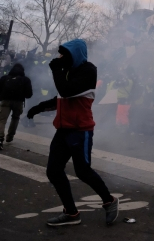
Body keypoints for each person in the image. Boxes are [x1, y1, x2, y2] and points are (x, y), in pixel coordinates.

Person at [26, 39, 119, 226]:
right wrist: (39, 107)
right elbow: (61, 97)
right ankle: (71, 213)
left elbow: (66, 91)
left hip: (80, 130)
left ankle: (109, 201)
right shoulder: (67, 72)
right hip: (63, 130)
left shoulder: (88, 71)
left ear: (74, 55)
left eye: (63, 54)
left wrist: (56, 70)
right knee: (53, 171)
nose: (59, 58)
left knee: (83, 171)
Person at [0, 63, 33, 150]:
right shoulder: (25, 80)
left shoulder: (4, 78)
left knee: (2, 120)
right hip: (18, 102)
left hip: (5, 101)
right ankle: (10, 136)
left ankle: (0, 138)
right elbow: (29, 94)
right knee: (15, 118)